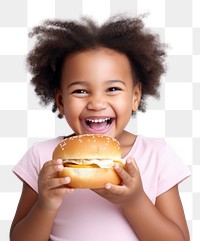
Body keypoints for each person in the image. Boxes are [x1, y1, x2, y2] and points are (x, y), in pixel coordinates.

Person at [10, 15, 190, 241]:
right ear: (61, 101)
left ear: (135, 97)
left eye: (113, 89)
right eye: (80, 91)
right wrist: (46, 205)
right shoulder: (43, 156)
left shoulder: (157, 155)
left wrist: (134, 201)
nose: (96, 103)